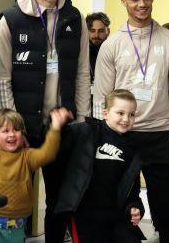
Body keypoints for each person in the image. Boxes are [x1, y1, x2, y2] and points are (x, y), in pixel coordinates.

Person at [93, 0, 169, 243]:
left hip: (159, 135)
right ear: (123, 1)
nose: (142, 4)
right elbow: (101, 97)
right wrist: (99, 137)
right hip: (121, 136)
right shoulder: (111, 45)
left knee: (167, 210)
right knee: (119, 205)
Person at [0, 0, 90, 241]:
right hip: (23, 127)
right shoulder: (10, 19)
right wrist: (12, 128)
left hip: (61, 127)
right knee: (14, 199)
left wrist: (81, 119)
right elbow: (2, 79)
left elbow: (84, 73)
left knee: (59, 201)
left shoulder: (75, 18)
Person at [0, 100, 69, 243]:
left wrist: (55, 128)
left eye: (16, 130)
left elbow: (47, 154)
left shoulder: (27, 156)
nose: (12, 134)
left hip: (16, 225)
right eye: (5, 131)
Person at [53, 89, 145, 243]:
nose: (126, 119)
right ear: (105, 113)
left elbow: (132, 188)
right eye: (120, 113)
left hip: (115, 214)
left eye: (131, 114)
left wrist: (135, 206)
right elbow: (60, 145)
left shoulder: (132, 147)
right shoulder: (87, 131)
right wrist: (57, 127)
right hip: (84, 214)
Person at [87, 12, 111, 84]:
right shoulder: (79, 53)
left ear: (108, 31)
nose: (96, 35)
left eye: (101, 31)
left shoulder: (113, 52)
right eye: (92, 31)